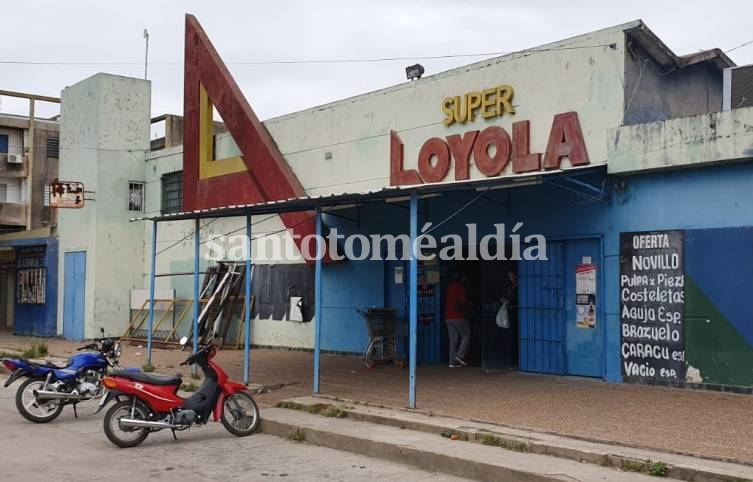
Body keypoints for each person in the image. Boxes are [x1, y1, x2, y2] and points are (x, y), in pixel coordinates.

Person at [444, 272, 472, 368]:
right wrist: (469, 304)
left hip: (448, 316)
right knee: (466, 335)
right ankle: (459, 356)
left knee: (453, 339)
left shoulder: (449, 287)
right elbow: (463, 300)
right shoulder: (458, 286)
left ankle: (452, 361)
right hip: (458, 316)